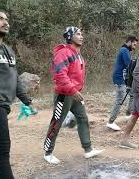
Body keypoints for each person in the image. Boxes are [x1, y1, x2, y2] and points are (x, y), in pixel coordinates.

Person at [43, 26, 103, 164]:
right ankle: (48, 152)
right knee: (56, 123)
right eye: (78, 34)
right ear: (70, 36)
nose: (81, 36)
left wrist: (76, 91)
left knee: (83, 119)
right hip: (64, 95)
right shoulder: (63, 53)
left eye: (82, 34)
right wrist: (72, 90)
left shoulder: (78, 54)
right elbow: (60, 74)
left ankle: (88, 149)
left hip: (74, 94)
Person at [0, 9, 33, 178]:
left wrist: (27, 100)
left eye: (6, 19)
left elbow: (15, 78)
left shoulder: (9, 50)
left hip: (2, 106)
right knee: (2, 151)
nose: (5, 22)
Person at [106, 35, 138, 131]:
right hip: (119, 78)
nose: (135, 47)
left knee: (131, 93)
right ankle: (110, 122)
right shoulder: (124, 50)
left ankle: (129, 115)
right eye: (134, 44)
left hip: (123, 78)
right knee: (120, 99)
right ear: (129, 42)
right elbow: (129, 64)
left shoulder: (126, 51)